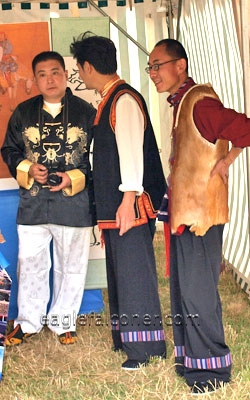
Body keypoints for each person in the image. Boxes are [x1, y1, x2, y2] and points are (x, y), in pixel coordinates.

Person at [146, 38, 250, 395]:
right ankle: (192, 362)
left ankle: (212, 371)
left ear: (181, 65)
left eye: (158, 65)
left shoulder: (200, 102)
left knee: (198, 293)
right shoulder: (182, 103)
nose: (153, 73)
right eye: (151, 67)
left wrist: (228, 160)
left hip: (201, 215)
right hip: (185, 213)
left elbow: (244, 128)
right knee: (184, 291)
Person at [70, 33, 167, 370]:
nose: (80, 76)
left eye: (80, 69)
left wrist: (127, 200)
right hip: (116, 206)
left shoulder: (123, 100)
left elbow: (131, 153)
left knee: (134, 274)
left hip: (130, 206)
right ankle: (128, 340)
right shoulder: (109, 99)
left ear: (88, 66)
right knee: (121, 274)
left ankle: (145, 350)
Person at [1, 51, 96, 346]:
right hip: (33, 202)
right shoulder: (23, 112)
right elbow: (9, 150)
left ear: (66, 75)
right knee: (30, 263)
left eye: (55, 72)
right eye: (42, 74)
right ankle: (28, 322)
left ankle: (63, 321)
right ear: (35, 79)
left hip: (74, 202)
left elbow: (99, 157)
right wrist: (29, 168)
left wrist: (73, 177)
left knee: (72, 263)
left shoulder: (86, 112)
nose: (50, 79)